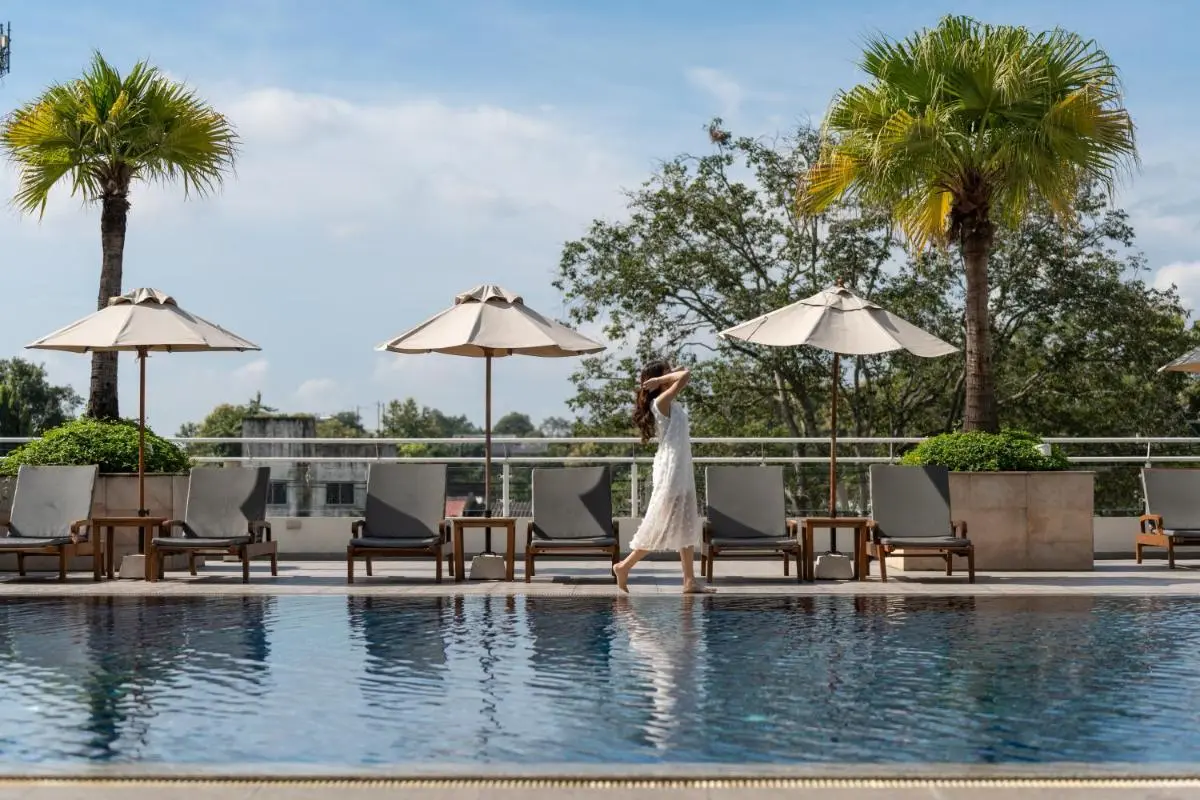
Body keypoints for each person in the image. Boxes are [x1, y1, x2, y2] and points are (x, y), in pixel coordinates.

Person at [612, 360, 713, 594]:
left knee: (686, 522)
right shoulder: (661, 402)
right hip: (672, 470)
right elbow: (686, 375)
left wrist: (664, 376)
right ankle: (624, 566)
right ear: (657, 380)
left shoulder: (669, 403)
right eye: (666, 372)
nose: (671, 374)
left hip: (681, 468)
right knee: (661, 524)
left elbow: (683, 373)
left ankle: (689, 581)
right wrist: (662, 379)